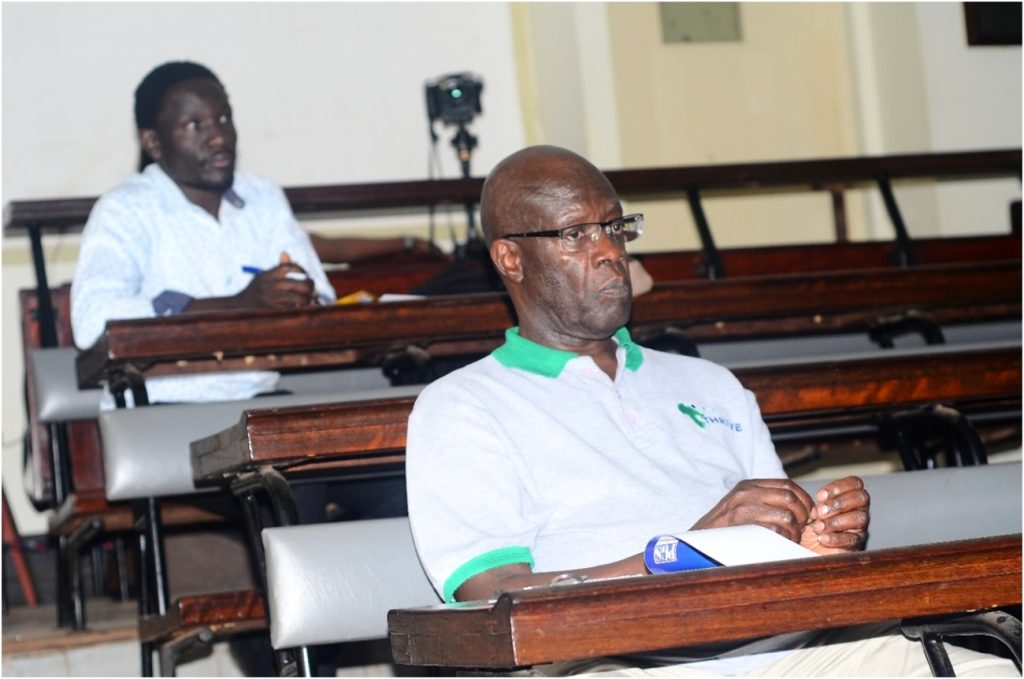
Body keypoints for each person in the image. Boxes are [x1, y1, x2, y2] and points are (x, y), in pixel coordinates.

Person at [405, 145, 1015, 676]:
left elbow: (777, 552)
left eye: (616, 228)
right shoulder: (463, 407)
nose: (609, 252)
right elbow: (490, 600)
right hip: (612, 661)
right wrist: (678, 555)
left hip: (793, 651)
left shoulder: (711, 384)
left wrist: (816, 545)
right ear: (510, 259)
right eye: (575, 235)